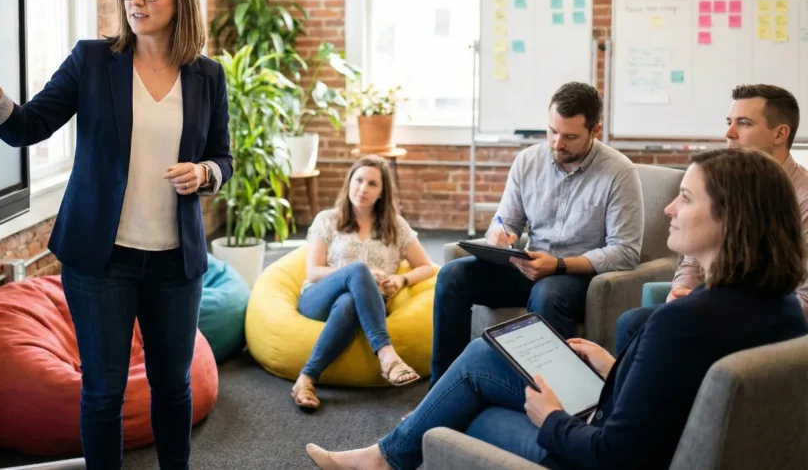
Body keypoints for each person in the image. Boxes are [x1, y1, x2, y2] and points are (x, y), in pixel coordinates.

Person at [305, 148, 808, 470]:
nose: (670, 209)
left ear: (730, 219)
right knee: (481, 348)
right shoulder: (784, 309)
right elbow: (681, 393)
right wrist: (617, 369)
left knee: (462, 415)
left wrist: (549, 418)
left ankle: (386, 456)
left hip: (595, 449)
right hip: (638, 426)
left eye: (684, 198)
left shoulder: (682, 322)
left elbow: (614, 456)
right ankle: (390, 451)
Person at [0, 0, 231, 470]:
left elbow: (223, 156)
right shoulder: (92, 60)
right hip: (101, 261)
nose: (136, 0)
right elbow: (27, 126)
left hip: (176, 260)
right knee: (103, 393)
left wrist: (205, 174)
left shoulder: (206, 76)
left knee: (173, 388)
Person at [431, 82, 644, 388]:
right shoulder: (528, 161)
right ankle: (442, 389)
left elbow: (625, 252)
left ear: (595, 131)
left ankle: (553, 400)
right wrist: (501, 237)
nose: (557, 144)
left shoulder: (619, 173)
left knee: (548, 294)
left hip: (579, 275)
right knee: (452, 276)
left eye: (570, 137)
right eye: (552, 131)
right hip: (529, 265)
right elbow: (505, 221)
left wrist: (558, 265)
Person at [616, 84, 808, 351]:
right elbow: (694, 254)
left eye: (744, 123)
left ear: (780, 133)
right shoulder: (729, 184)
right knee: (633, 322)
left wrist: (719, 313)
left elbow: (803, 300)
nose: (729, 133)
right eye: (729, 122)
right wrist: (681, 290)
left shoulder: (803, 197)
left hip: (764, 323)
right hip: (713, 303)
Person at [290, 156, 436, 411]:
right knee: (358, 270)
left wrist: (401, 279)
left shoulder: (396, 227)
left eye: (372, 184)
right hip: (317, 298)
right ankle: (386, 354)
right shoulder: (328, 219)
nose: (363, 189)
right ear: (348, 183)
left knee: (348, 302)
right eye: (358, 181)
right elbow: (313, 272)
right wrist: (364, 272)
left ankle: (306, 378)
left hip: (364, 306)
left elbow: (427, 266)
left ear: (382, 192)